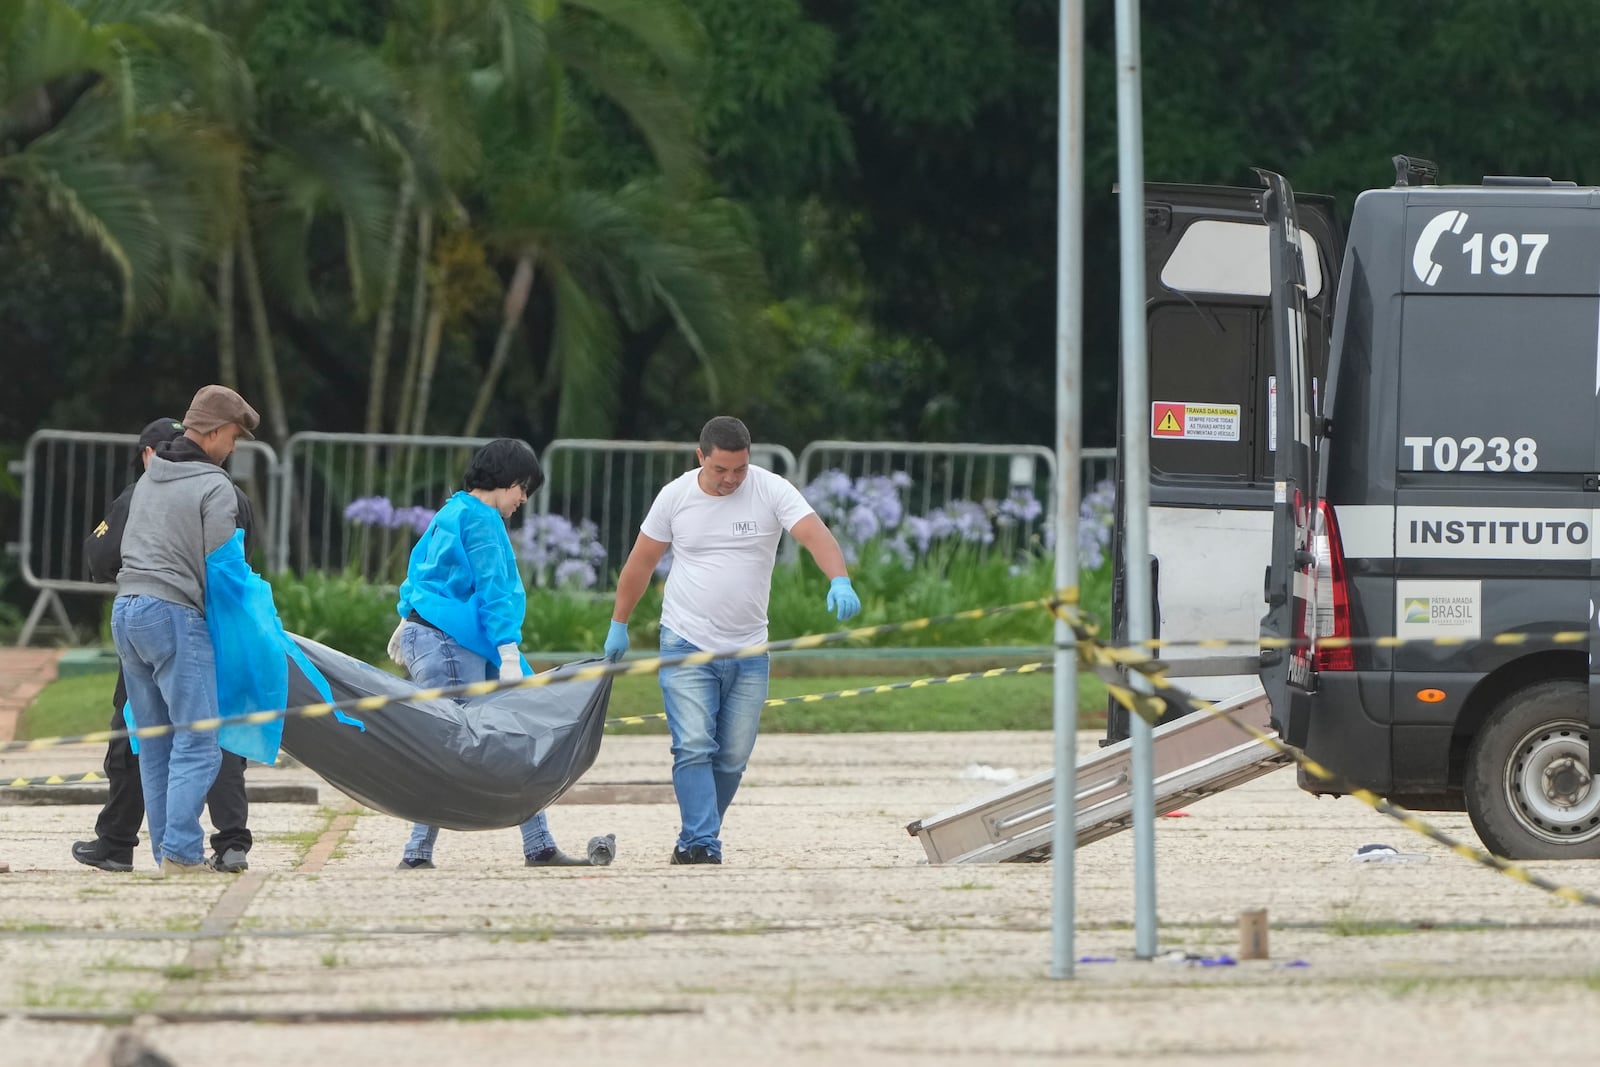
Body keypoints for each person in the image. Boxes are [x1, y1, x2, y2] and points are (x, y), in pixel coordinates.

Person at [603, 416, 861, 865]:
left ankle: (692, 841)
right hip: (685, 641)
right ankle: (704, 843)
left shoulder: (771, 489)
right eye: (721, 469)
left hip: (749, 648)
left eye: (739, 469)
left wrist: (839, 579)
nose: (731, 479)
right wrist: (619, 622)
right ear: (700, 457)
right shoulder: (675, 496)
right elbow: (641, 562)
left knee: (733, 755)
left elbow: (815, 535)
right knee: (694, 745)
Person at [390, 438, 591, 870]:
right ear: (510, 479)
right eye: (524, 489)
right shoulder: (483, 521)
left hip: (428, 636)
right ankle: (420, 851)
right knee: (472, 743)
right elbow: (494, 588)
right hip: (450, 643)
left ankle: (535, 843)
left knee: (481, 739)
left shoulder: (452, 509)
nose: (523, 500)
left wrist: (406, 618)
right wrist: (509, 651)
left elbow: (421, 569)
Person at [72, 416, 256, 873]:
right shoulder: (216, 487)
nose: (232, 449)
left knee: (151, 744)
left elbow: (102, 554)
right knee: (200, 743)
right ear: (215, 431)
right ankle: (182, 851)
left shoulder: (147, 481)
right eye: (233, 437)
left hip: (126, 613)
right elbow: (224, 567)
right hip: (175, 614)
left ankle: (161, 855)